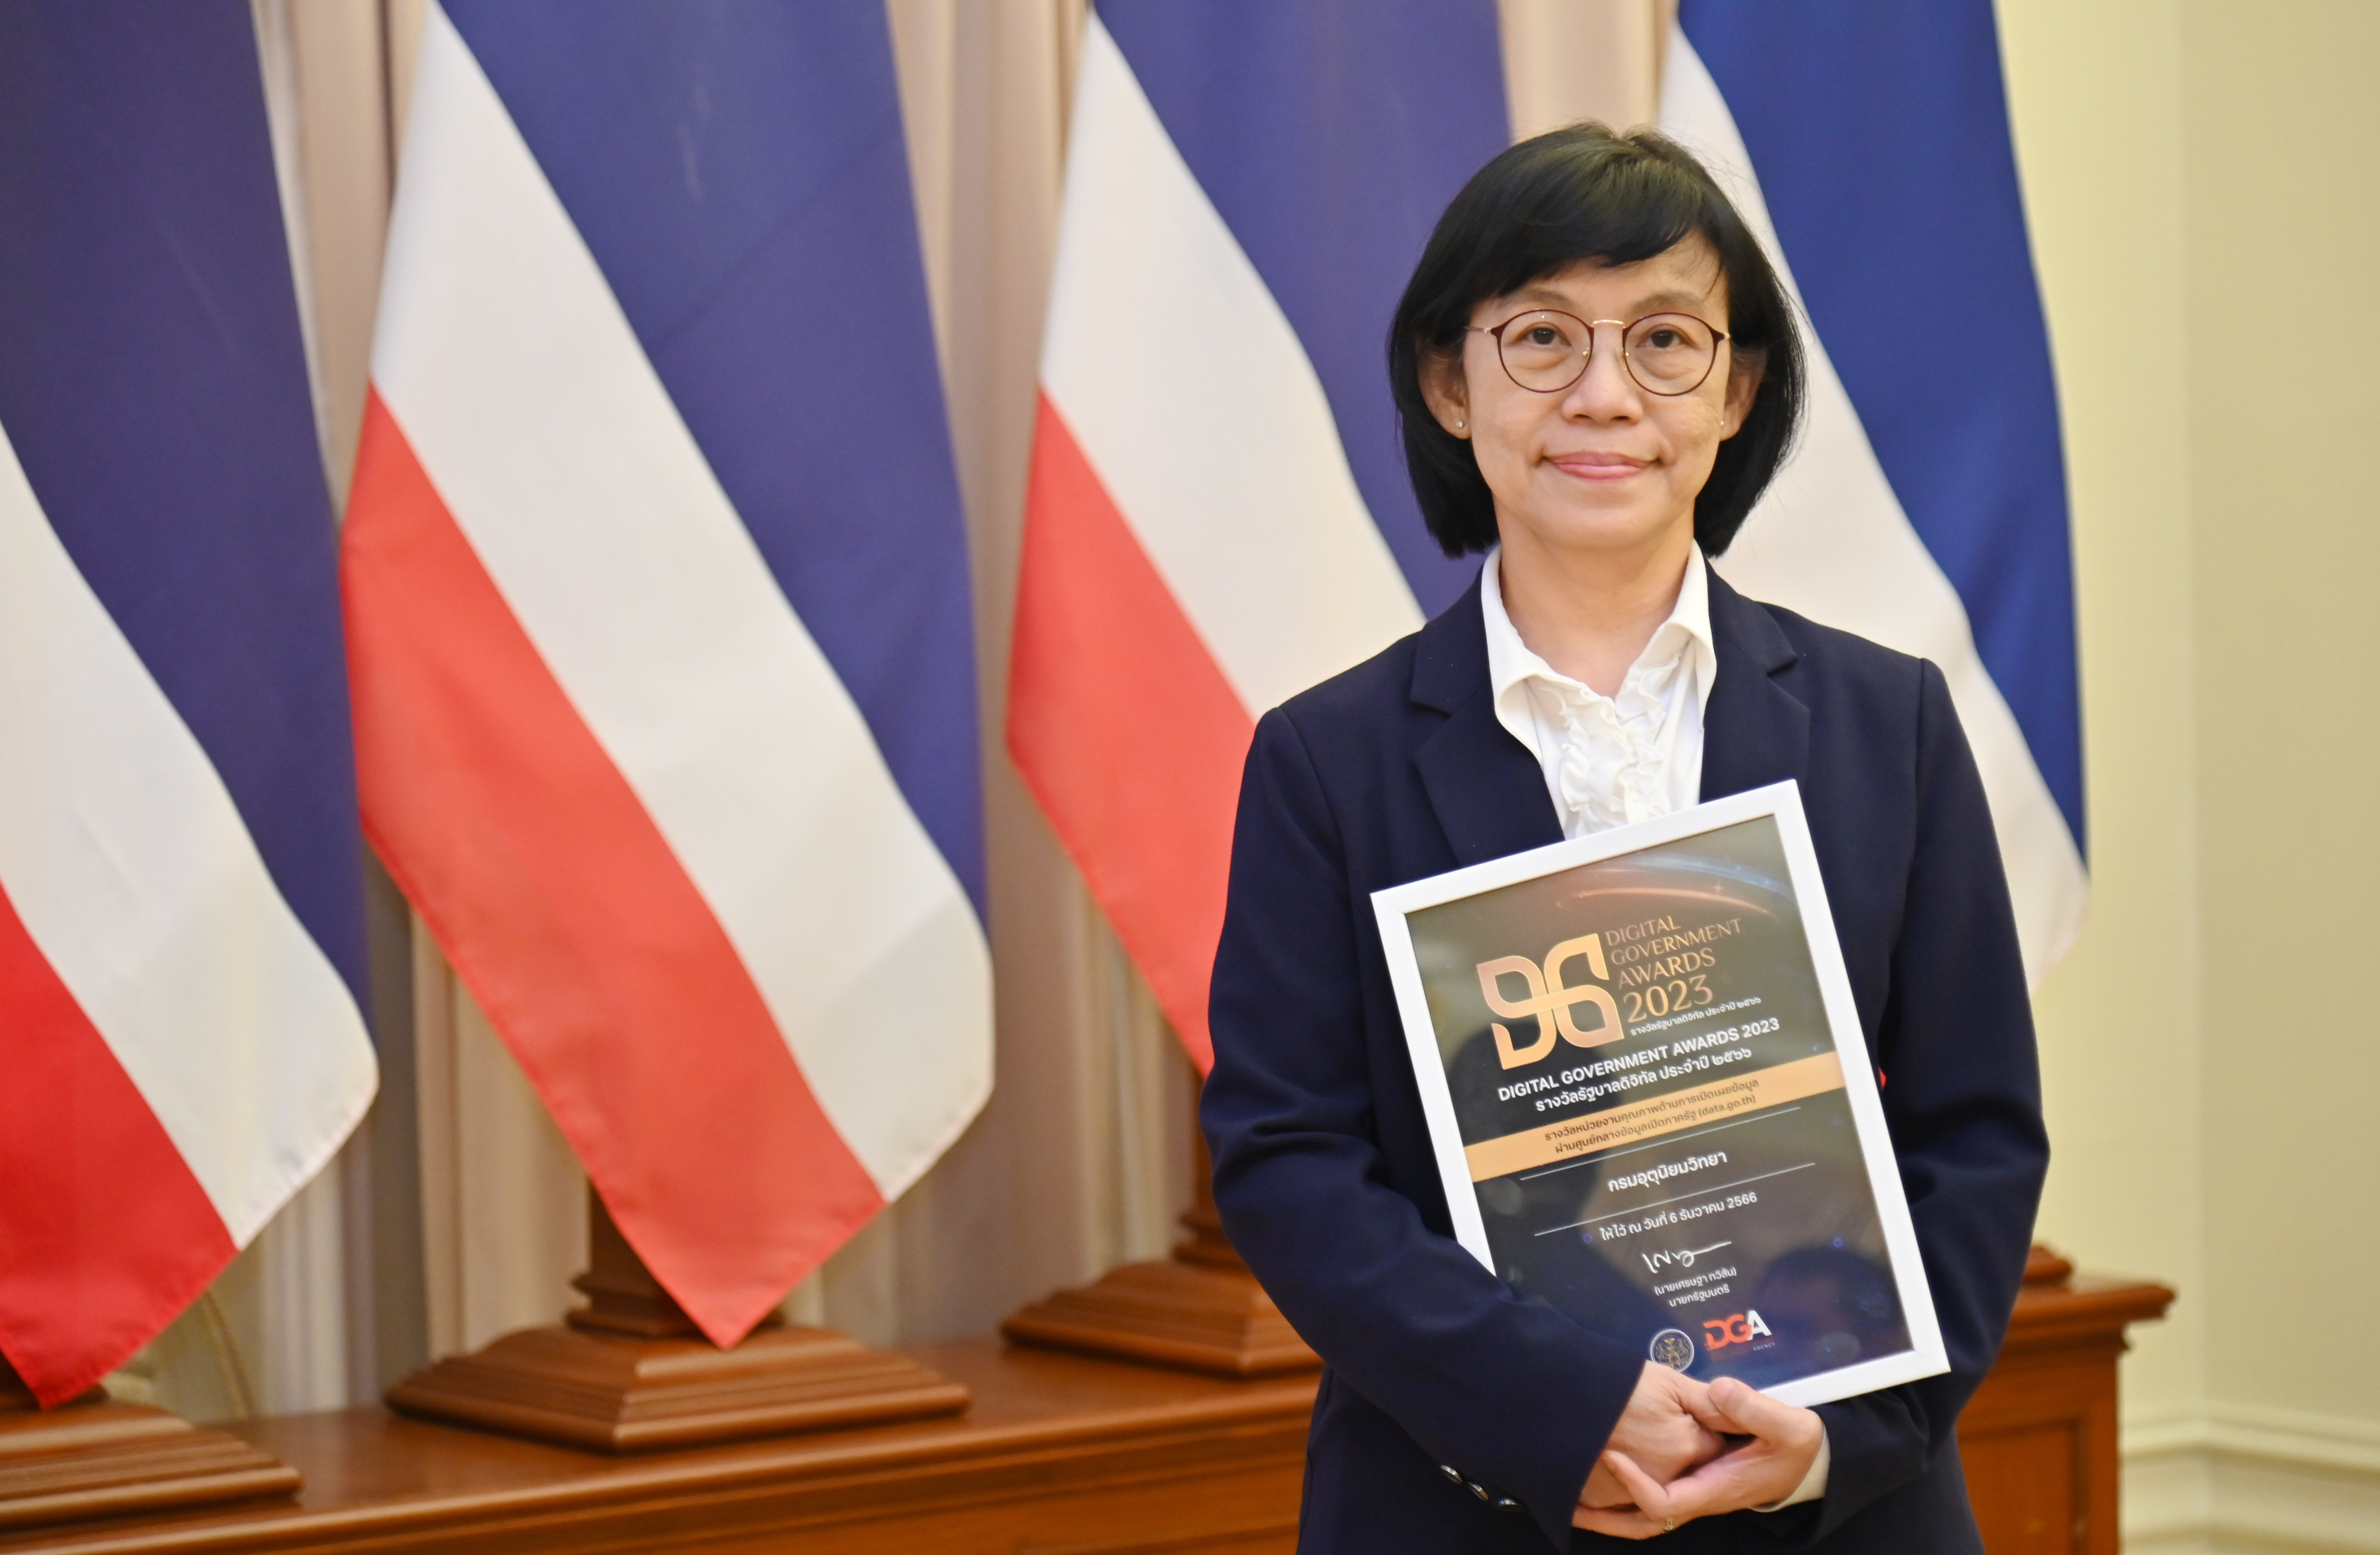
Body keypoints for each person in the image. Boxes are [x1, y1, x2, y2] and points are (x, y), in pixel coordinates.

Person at [1200, 124, 2048, 1552]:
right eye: (1542, 337)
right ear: (1449, 383)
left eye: (1665, 340)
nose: (1605, 394)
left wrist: (1841, 1434)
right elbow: (1290, 1162)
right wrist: (1564, 1407)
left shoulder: (1890, 722)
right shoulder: (1324, 761)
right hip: (1468, 1505)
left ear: (1738, 389)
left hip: (1840, 1510)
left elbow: (1977, 1131)